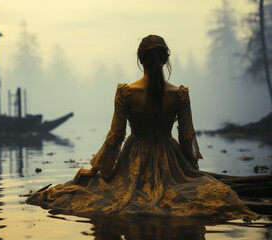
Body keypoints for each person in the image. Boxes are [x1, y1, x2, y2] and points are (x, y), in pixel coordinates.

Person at [26, 35, 257, 219]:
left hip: (133, 159)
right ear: (165, 60)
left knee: (110, 195)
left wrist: (94, 170)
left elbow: (116, 137)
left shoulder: (126, 93)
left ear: (140, 60)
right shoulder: (180, 95)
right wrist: (190, 172)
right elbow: (187, 140)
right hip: (170, 158)